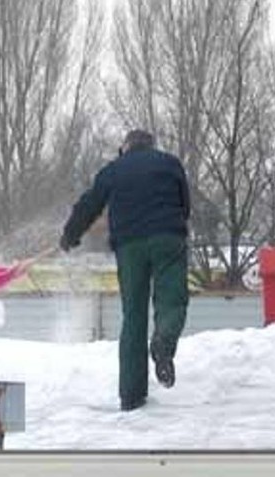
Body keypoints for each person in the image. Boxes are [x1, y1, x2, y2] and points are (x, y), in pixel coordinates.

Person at [60, 129, 190, 411]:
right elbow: (185, 204)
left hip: (130, 245)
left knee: (133, 315)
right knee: (172, 299)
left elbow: (90, 203)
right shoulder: (170, 163)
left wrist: (71, 233)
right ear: (151, 146)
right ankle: (163, 343)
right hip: (168, 238)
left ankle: (131, 396)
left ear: (125, 148)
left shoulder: (114, 170)